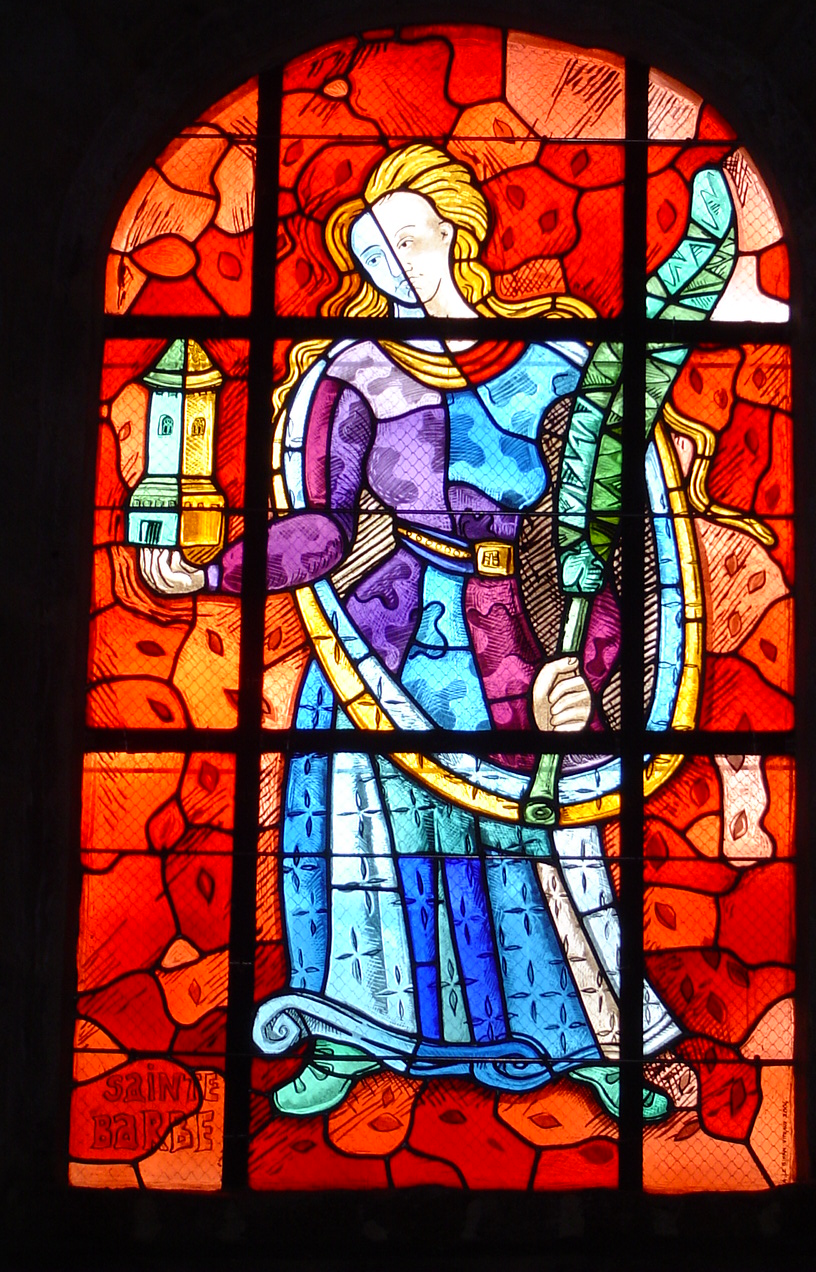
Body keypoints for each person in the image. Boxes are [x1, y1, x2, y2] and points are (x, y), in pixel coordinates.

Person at [141, 143, 679, 1121]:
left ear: (457, 234)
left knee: (535, 843)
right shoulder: (348, 376)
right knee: (360, 838)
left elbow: (611, 535)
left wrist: (590, 670)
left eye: (409, 240)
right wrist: (212, 570)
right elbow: (321, 529)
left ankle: (584, 1039)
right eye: (372, 253)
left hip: (524, 633)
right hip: (385, 642)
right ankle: (354, 1031)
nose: (392, 264)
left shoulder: (555, 364)